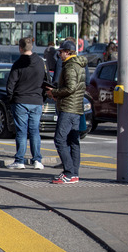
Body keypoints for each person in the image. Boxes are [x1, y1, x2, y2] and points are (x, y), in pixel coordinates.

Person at [45, 40, 88, 184]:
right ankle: (74, 173)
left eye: (61, 51)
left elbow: (70, 88)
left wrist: (54, 93)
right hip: (76, 107)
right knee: (73, 141)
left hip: (68, 107)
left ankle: (69, 172)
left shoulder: (70, 66)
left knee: (59, 139)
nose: (59, 54)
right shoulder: (79, 65)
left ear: (68, 52)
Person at [5, 37, 47, 170]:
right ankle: (37, 160)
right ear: (32, 47)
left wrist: (11, 99)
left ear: (20, 48)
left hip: (21, 100)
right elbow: (46, 82)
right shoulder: (40, 62)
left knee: (21, 132)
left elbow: (10, 84)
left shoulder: (18, 64)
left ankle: (20, 160)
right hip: (36, 101)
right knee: (35, 131)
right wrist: (42, 99)